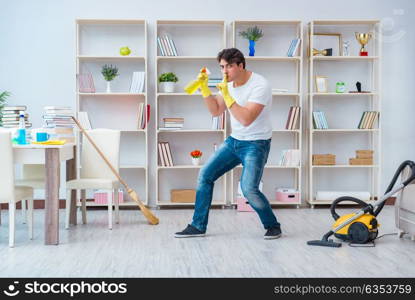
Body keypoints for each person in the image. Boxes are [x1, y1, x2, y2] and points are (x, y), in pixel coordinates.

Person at [175, 48, 281, 240]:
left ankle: (273, 225)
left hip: (256, 143)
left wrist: (227, 94)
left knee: (248, 189)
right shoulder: (228, 84)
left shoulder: (260, 85)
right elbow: (215, 111)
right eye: (222, 67)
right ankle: (198, 226)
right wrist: (205, 89)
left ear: (241, 65)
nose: (224, 72)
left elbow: (246, 118)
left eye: (229, 67)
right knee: (205, 175)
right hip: (235, 141)